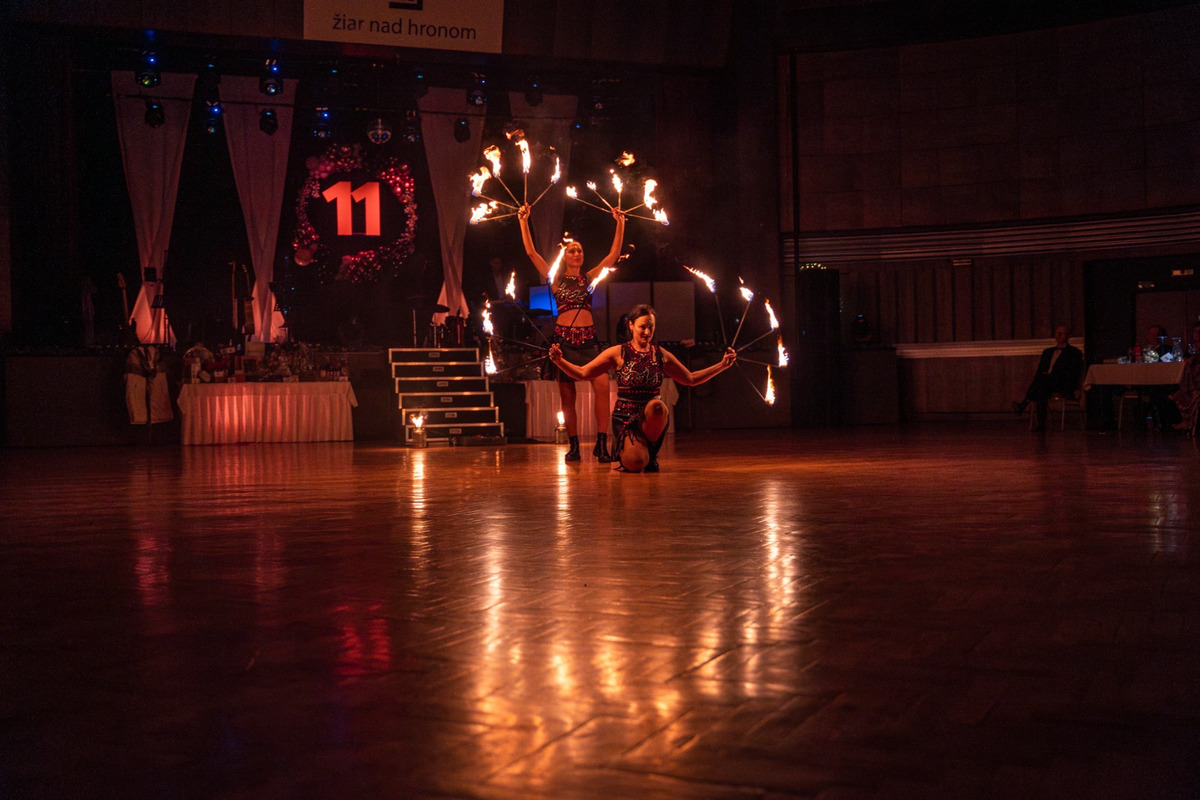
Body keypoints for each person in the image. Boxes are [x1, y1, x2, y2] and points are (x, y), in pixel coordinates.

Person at [549, 304, 737, 472]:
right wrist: (559, 361)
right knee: (637, 463)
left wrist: (721, 366)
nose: (647, 332)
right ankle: (637, 451)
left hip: (650, 418)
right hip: (626, 419)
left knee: (657, 406)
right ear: (631, 326)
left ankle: (650, 449)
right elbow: (582, 373)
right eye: (642, 327)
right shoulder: (618, 352)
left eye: (650, 327)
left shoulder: (660, 354)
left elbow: (689, 378)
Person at [519, 202, 625, 462]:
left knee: (602, 386)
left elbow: (612, 256)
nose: (576, 253)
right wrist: (524, 221)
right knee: (568, 395)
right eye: (572, 250)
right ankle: (574, 445)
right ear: (565, 256)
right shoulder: (555, 279)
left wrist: (620, 223)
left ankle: (601, 445)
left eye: (579, 250)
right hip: (564, 341)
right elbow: (532, 253)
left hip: (588, 341)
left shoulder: (589, 279)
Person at [1013, 324, 1083, 431]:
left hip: (1062, 382)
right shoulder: (1047, 352)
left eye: (1061, 333)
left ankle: (1025, 403)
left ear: (1068, 336)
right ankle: (1041, 424)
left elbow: (1074, 372)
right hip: (1046, 383)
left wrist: (1076, 387)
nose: (1058, 335)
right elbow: (1040, 370)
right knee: (1041, 388)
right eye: (1057, 333)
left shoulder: (1074, 353)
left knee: (1042, 383)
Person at [1169, 321, 1200, 434]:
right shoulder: (1191, 349)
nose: (1198, 334)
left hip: (1197, 382)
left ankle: (1189, 423)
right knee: (1173, 394)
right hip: (1191, 381)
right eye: (1196, 331)